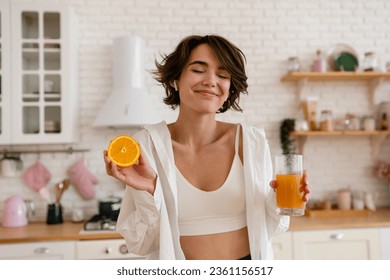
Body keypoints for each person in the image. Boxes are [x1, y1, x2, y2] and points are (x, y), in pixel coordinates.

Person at [104, 34, 310, 260]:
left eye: (222, 74)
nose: (211, 80)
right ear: (175, 79)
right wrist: (150, 192)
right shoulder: (146, 146)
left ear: (229, 87)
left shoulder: (251, 142)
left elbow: (272, 225)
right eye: (198, 70)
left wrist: (279, 199)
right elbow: (141, 244)